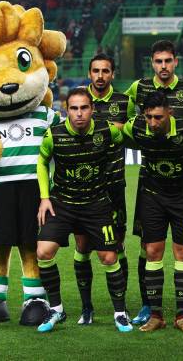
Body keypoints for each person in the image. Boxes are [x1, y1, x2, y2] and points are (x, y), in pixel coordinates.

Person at [125, 40, 183, 325]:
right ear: (152, 63)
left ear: (175, 62)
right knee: (148, 248)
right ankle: (149, 307)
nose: (163, 66)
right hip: (152, 183)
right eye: (158, 61)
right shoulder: (138, 89)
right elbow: (120, 112)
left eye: (168, 61)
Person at [36, 88, 131, 333]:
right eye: (74, 108)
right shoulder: (54, 134)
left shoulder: (106, 130)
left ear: (92, 109)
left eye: (84, 108)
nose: (79, 113)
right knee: (44, 252)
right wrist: (45, 197)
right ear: (67, 110)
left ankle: (120, 313)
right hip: (63, 203)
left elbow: (133, 136)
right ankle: (56, 309)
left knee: (109, 257)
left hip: (96, 204)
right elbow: (42, 160)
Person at [71, 54, 130, 325]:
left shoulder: (124, 102)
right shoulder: (80, 102)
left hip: (114, 186)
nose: (100, 75)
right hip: (84, 190)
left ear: (113, 75)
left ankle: (122, 305)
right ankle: (87, 307)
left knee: (116, 247)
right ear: (89, 73)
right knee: (82, 246)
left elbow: (133, 129)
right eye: (95, 70)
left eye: (105, 71)